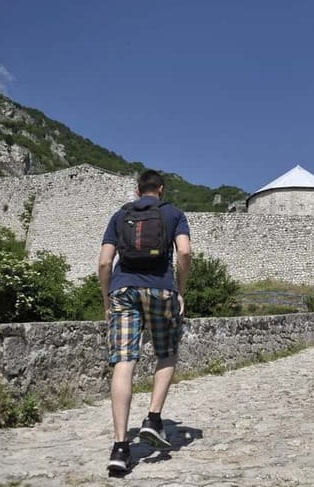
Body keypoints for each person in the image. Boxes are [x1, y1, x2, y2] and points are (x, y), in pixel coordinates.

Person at [98, 170, 192, 474]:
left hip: (123, 290)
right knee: (166, 352)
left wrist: (106, 299)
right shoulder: (174, 214)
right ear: (161, 189)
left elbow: (103, 262)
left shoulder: (119, 215)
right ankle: (153, 418)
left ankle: (120, 447)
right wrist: (181, 290)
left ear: (138, 190)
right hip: (162, 290)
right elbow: (185, 253)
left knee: (124, 363)